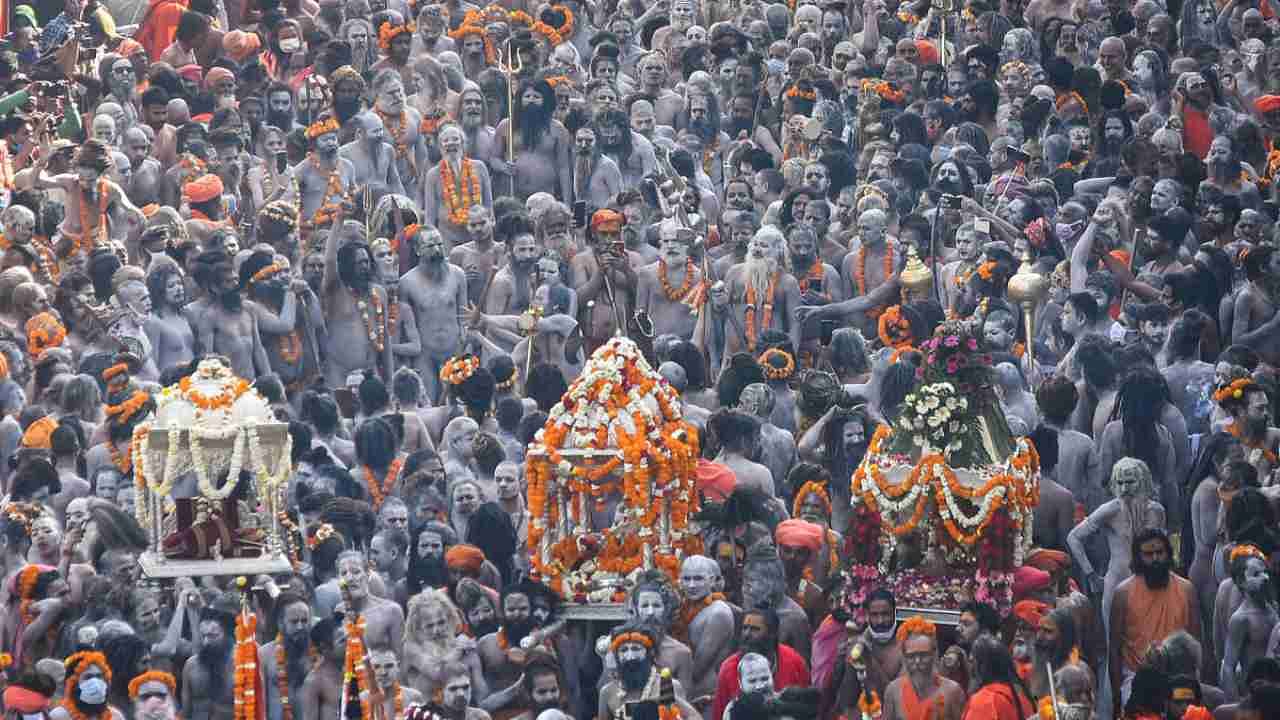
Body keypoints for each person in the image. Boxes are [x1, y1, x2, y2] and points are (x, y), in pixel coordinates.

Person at [1109, 529, 1201, 718]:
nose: (1156, 558)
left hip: (1179, 678)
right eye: (1148, 554)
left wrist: (1196, 683)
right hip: (1137, 678)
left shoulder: (1187, 590)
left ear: (1168, 553)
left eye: (1160, 552)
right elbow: (1114, 650)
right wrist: (1116, 697)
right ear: (1138, 557)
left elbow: (1197, 644)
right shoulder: (1123, 593)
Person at [879, 616, 965, 720]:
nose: (917, 661)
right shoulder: (893, 691)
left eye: (924, 655)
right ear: (904, 656)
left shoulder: (952, 691)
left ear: (934, 653)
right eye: (911, 656)